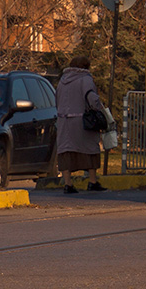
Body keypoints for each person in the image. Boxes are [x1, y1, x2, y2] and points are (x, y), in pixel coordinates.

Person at [56, 54, 107, 194]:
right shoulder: (85, 79)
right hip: (82, 120)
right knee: (90, 149)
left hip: (63, 121)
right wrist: (99, 109)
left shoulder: (62, 80)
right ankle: (92, 181)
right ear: (86, 66)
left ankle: (68, 183)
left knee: (66, 150)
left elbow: (57, 100)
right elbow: (92, 98)